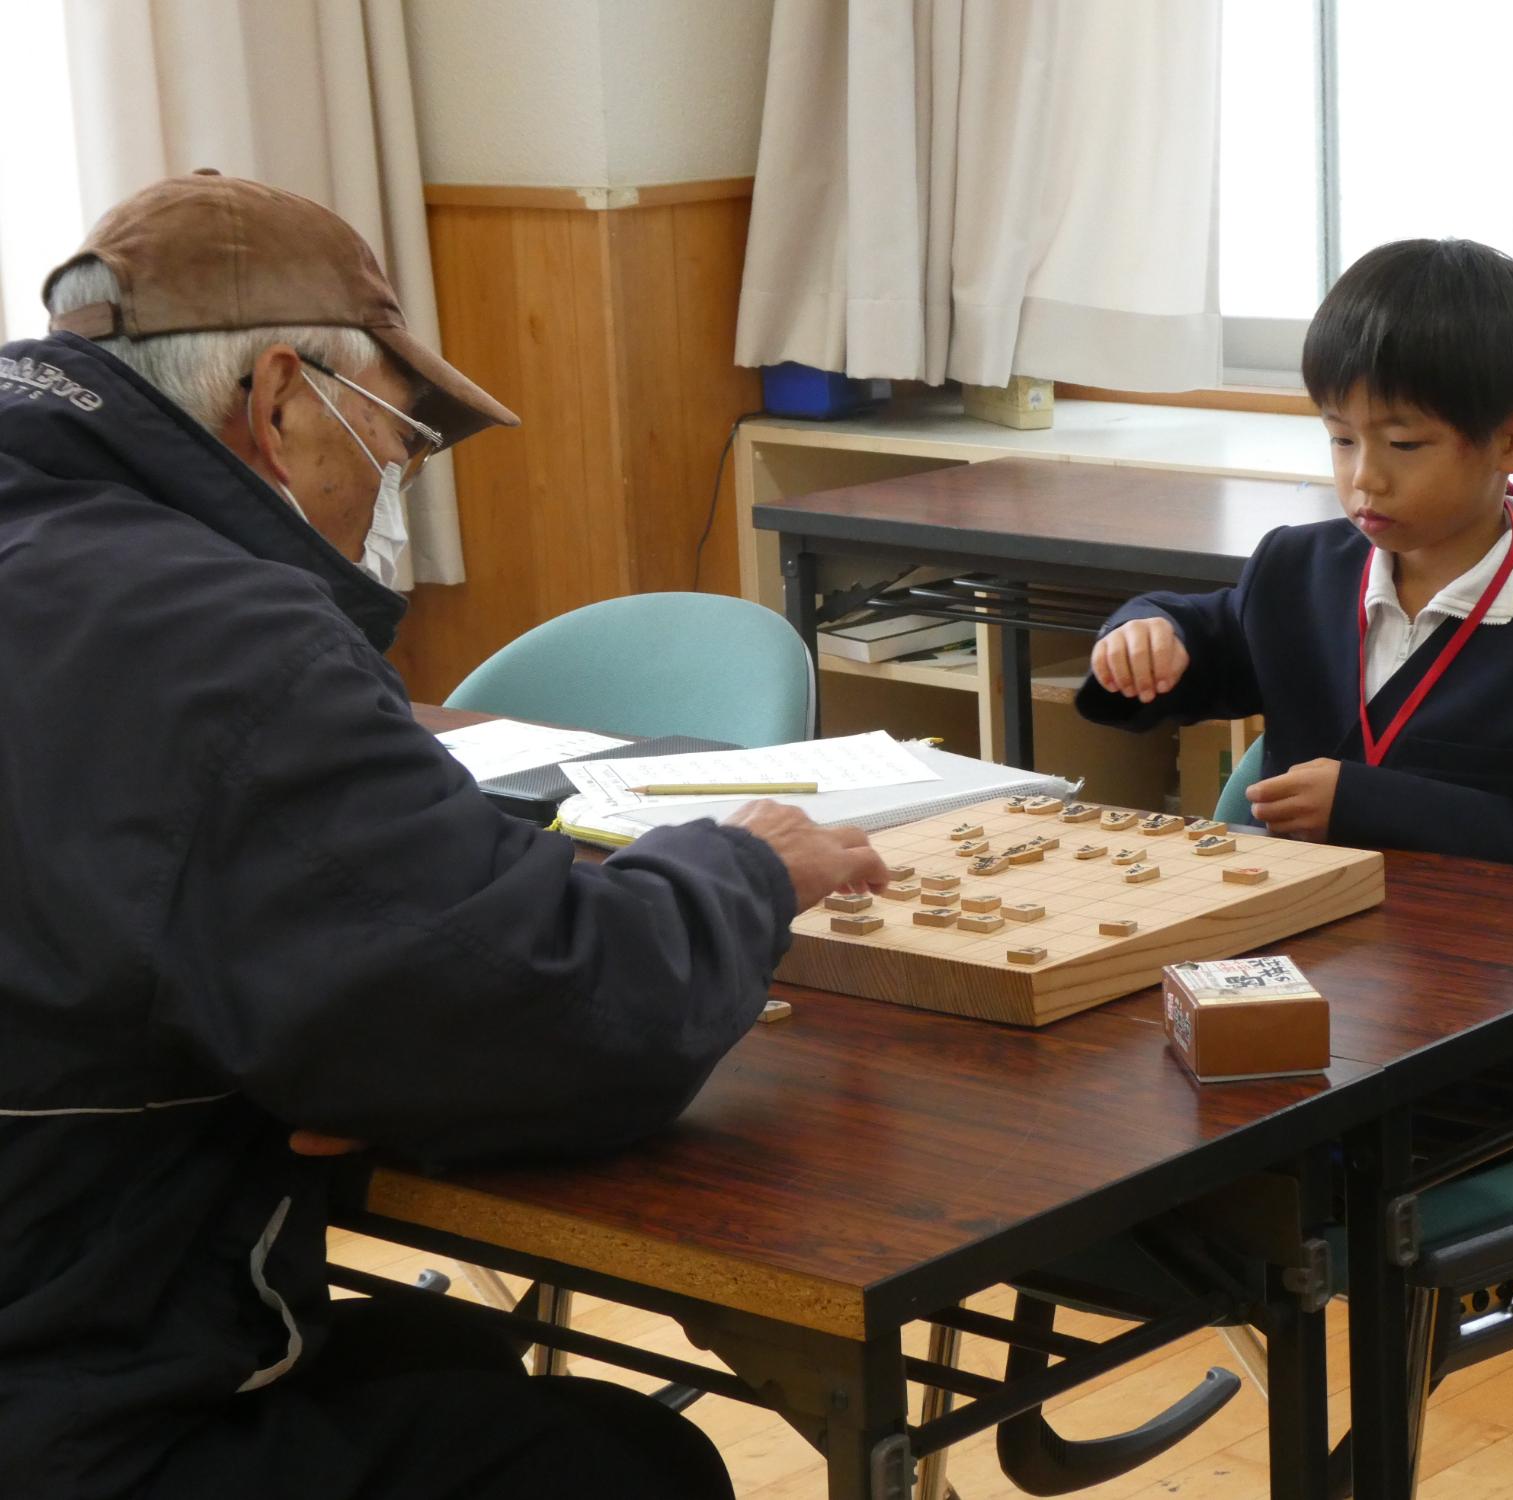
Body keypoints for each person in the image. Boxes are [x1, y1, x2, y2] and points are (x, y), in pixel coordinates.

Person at [0, 172, 888, 1500]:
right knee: (630, 1467)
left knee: (444, 1345)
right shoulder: (222, 646)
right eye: (399, 440)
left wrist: (288, 1045)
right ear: (284, 399)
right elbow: (542, 1016)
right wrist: (740, 869)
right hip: (72, 1414)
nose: (390, 488)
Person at [1076, 238, 1513, 881]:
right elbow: (1206, 635)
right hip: (1291, 941)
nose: (1365, 478)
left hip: (1464, 963)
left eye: (1404, 444)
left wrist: (1371, 806)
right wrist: (1147, 634)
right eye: (1341, 438)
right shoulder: (1297, 570)